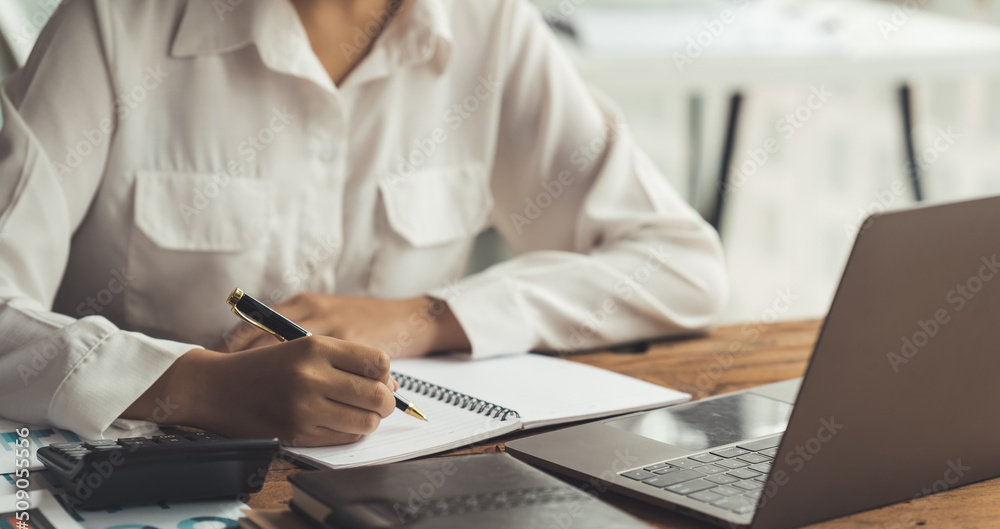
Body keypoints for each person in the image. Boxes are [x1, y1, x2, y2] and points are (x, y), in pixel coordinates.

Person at [0, 0, 728, 446]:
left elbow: (680, 263)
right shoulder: (113, 23)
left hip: (397, 488)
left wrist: (426, 316)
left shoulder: (491, 26)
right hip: (154, 499)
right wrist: (202, 387)